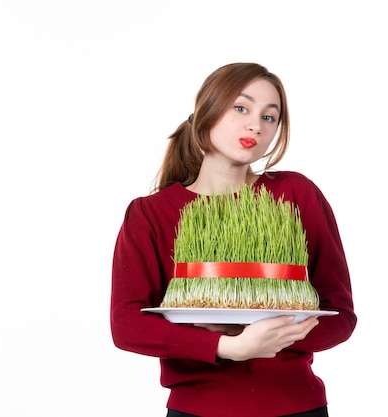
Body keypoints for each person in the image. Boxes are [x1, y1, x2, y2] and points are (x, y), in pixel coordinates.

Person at [110, 62, 356, 417]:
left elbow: (341, 315)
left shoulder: (296, 194)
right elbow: (126, 323)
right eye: (241, 108)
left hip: (298, 407)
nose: (256, 125)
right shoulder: (151, 213)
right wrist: (227, 346)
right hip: (198, 410)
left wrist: (260, 333)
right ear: (206, 111)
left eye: (270, 117)